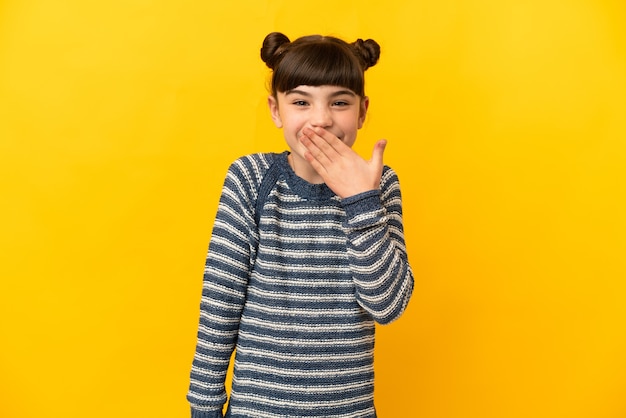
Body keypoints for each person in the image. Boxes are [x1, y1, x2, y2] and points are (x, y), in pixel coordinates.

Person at [187, 32, 414, 418]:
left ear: (362, 111)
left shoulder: (379, 183)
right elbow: (219, 302)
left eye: (340, 102)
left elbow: (388, 306)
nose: (321, 119)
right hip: (256, 410)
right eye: (301, 102)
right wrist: (205, 404)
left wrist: (362, 202)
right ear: (276, 111)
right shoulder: (250, 179)